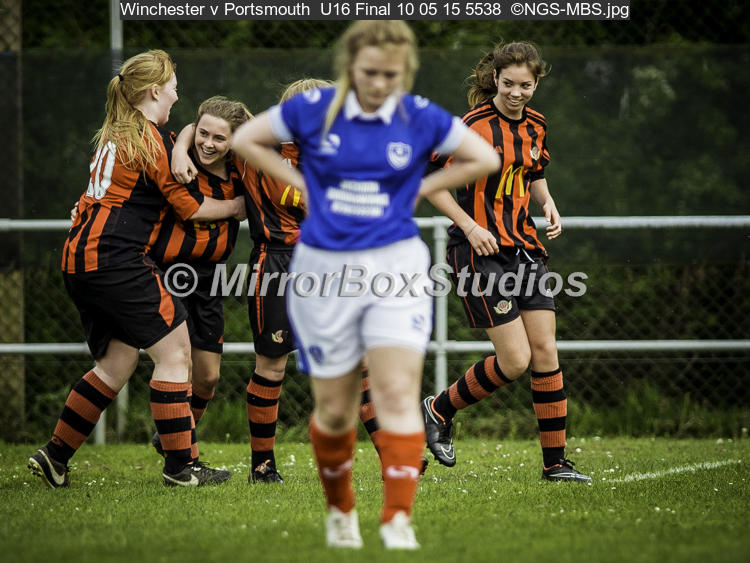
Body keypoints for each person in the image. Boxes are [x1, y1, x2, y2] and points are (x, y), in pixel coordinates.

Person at [231, 21, 499, 550]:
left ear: (406, 72)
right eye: (368, 72)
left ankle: (397, 520)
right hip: (323, 269)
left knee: (396, 392)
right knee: (335, 409)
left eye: (390, 75)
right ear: (349, 67)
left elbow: (484, 158)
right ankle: (341, 511)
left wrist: (417, 188)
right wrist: (303, 183)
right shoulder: (314, 110)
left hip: (395, 267)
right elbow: (245, 139)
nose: (378, 83)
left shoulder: (418, 115)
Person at [171, 78, 425, 484]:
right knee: (272, 366)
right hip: (274, 264)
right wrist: (180, 146)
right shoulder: (256, 151)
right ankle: (262, 466)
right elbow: (209, 127)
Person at [27, 50, 244, 489]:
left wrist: (180, 144)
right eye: (174, 89)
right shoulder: (149, 139)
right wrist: (240, 206)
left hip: (79, 258)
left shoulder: (117, 131)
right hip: (115, 259)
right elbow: (189, 207)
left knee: (116, 364)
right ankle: (181, 467)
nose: (177, 96)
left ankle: (54, 456)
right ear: (155, 91)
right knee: (176, 354)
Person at [421, 41, 592, 483]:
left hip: (525, 248)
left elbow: (533, 172)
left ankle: (555, 464)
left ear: (537, 84)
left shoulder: (536, 124)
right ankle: (439, 408)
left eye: (526, 86)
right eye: (509, 84)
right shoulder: (470, 127)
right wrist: (470, 226)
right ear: (495, 79)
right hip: (478, 252)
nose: (517, 93)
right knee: (514, 361)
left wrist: (548, 202)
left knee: (545, 351)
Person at [148, 95, 253, 469]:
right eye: (203, 133)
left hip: (211, 279)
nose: (208, 143)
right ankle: (181, 455)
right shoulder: (180, 159)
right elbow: (189, 209)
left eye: (219, 138)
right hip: (168, 273)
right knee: (180, 364)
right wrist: (181, 145)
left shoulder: (242, 168)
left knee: (208, 377)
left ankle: (171, 437)